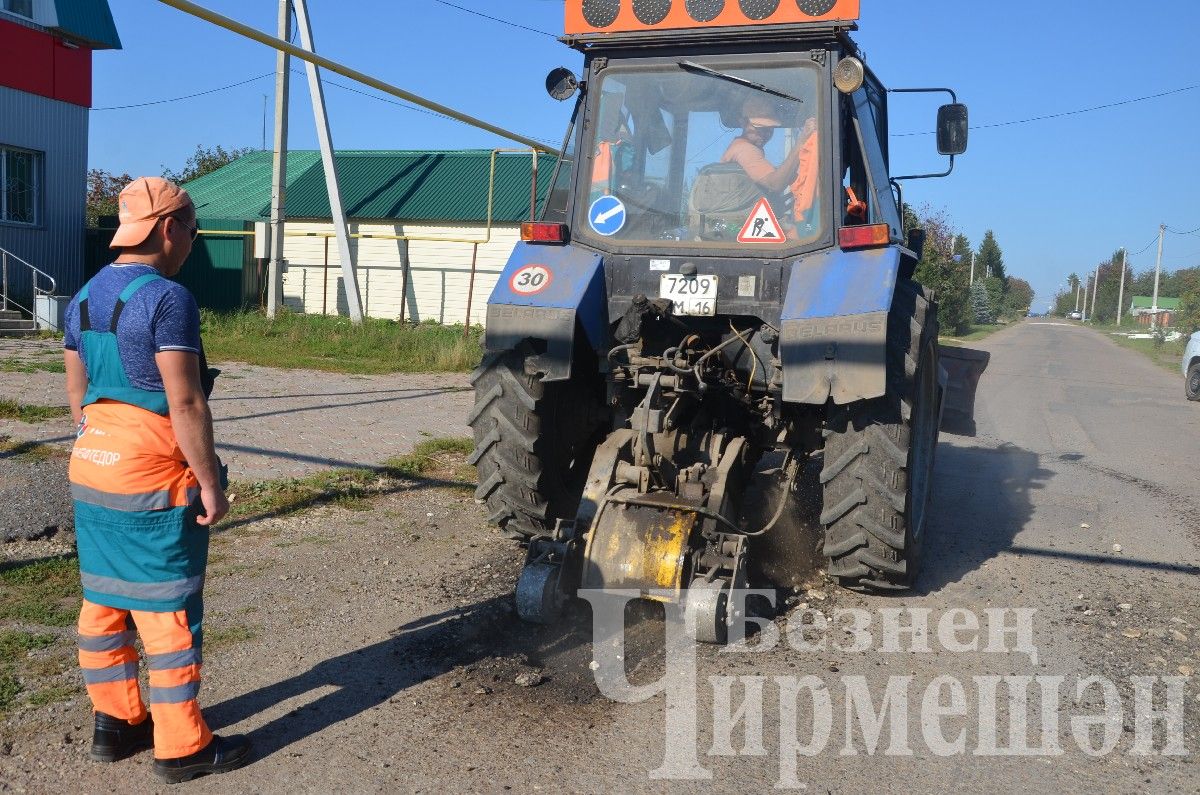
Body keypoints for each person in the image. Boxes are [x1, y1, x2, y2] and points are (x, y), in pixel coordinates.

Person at [63, 177, 249, 784]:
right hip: (153, 471)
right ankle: (182, 746)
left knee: (105, 598)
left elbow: (76, 398)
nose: (193, 243)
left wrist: (106, 447)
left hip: (93, 463)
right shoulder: (168, 299)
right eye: (193, 230)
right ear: (169, 228)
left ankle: (115, 724)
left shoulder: (82, 298)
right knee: (167, 607)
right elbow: (186, 401)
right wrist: (211, 482)